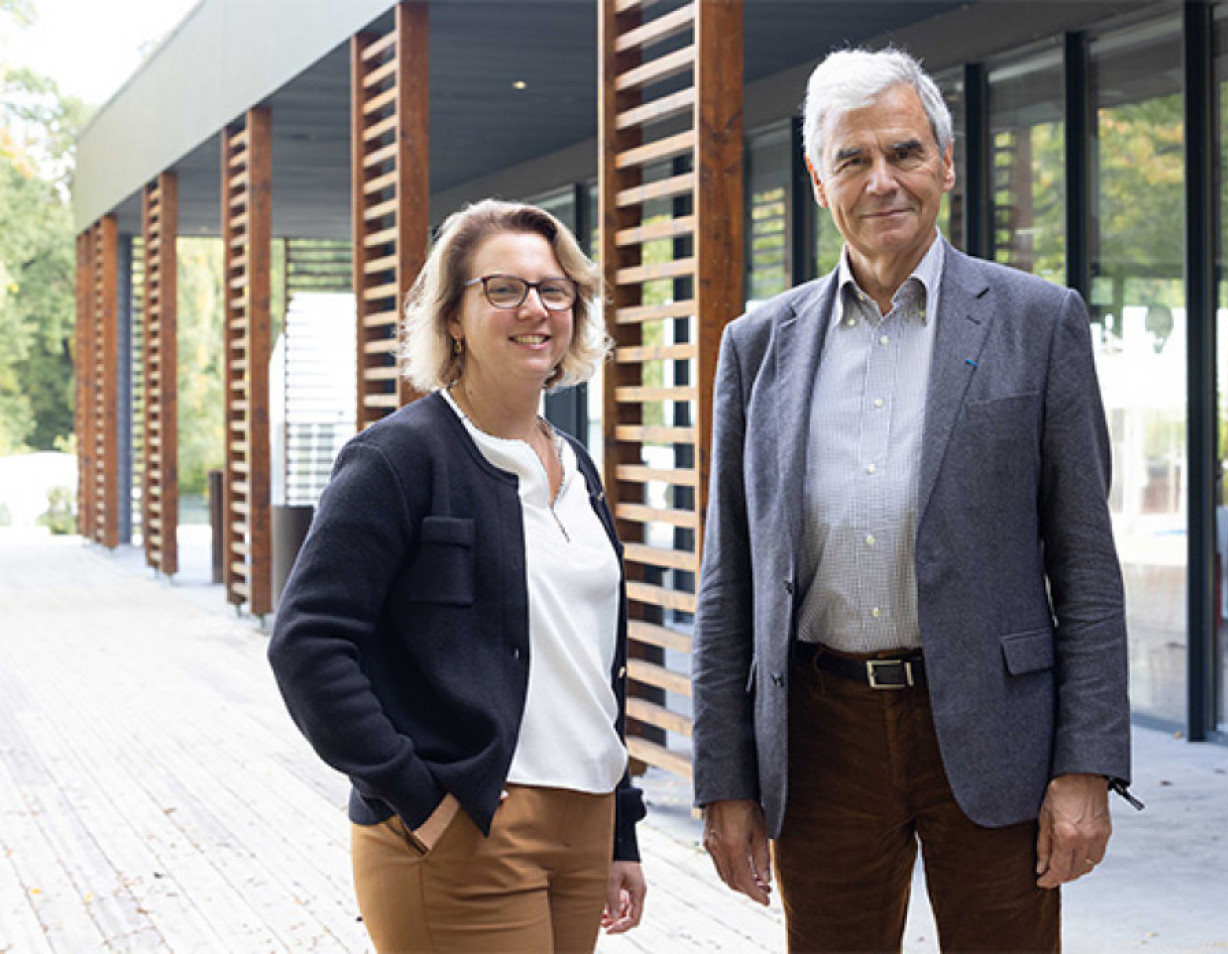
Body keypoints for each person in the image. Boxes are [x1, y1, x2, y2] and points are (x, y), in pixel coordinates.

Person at [692, 47, 1134, 953]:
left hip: (993, 730)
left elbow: (1086, 566)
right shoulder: (754, 347)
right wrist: (724, 780)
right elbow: (725, 585)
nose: (881, 180)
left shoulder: (1039, 322)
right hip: (822, 738)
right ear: (820, 182)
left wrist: (1087, 766)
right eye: (853, 159)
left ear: (945, 165)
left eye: (903, 152)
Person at [269, 199, 646, 953]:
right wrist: (414, 794)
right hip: (464, 822)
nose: (534, 308)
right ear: (450, 317)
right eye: (503, 289)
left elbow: (590, 663)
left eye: (555, 289)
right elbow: (307, 645)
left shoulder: (577, 467)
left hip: (585, 821)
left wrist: (622, 829)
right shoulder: (398, 459)